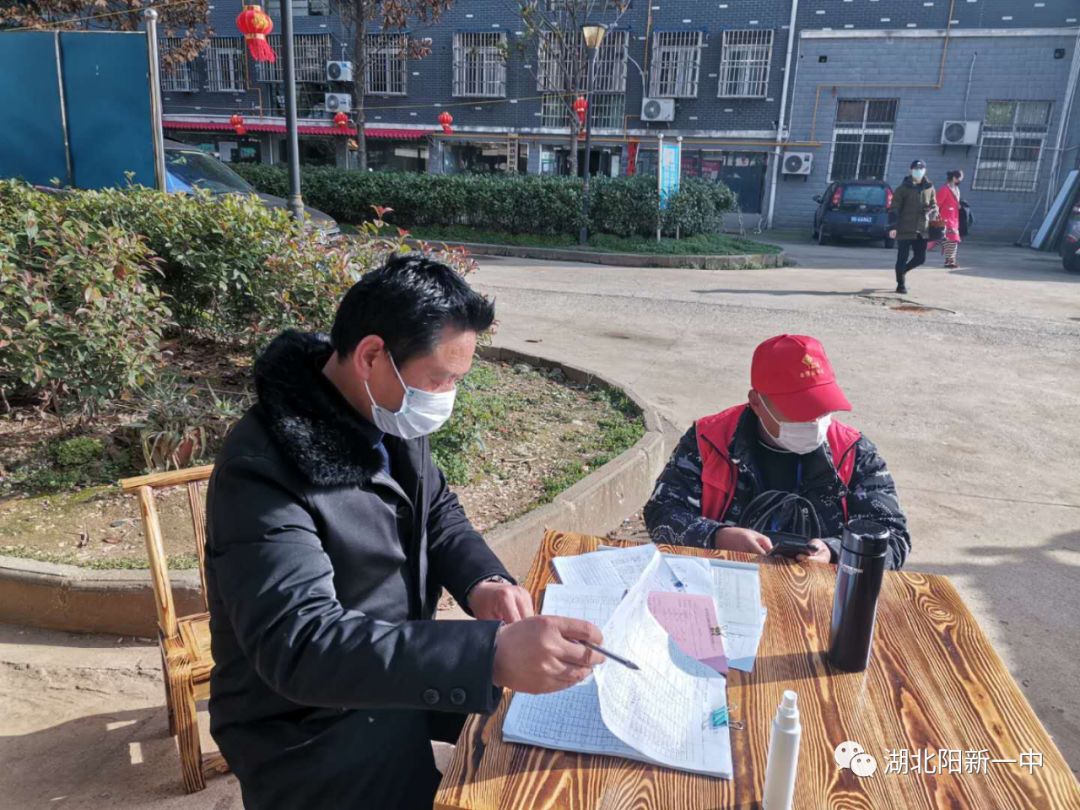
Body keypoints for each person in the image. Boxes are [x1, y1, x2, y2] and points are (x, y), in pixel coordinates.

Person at [204, 254, 605, 810]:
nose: (446, 396)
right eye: (440, 378)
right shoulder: (262, 469)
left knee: (541, 743)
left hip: (394, 669)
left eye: (457, 380)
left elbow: (436, 510)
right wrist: (488, 654)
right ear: (372, 356)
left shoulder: (386, 409)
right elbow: (300, 644)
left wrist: (482, 580)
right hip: (306, 728)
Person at [643, 334, 910, 569]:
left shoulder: (854, 453)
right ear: (756, 402)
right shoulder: (709, 440)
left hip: (821, 593)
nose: (814, 421)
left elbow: (894, 539)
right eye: (799, 410)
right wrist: (717, 537)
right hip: (725, 578)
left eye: (822, 408)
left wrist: (834, 551)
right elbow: (661, 514)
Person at [888, 159, 939, 294]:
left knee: (920, 258)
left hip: (922, 230)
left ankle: (902, 271)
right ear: (910, 171)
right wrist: (893, 226)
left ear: (925, 171)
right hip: (904, 228)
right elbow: (894, 208)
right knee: (902, 257)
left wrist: (932, 210)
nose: (918, 171)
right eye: (916, 169)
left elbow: (934, 205)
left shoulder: (929, 188)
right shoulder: (903, 189)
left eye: (921, 169)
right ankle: (901, 284)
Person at [937, 169, 964, 268]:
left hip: (954, 217)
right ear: (954, 178)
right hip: (945, 218)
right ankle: (950, 260)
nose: (960, 181)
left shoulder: (956, 189)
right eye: (959, 178)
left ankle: (950, 260)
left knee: (952, 239)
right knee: (951, 239)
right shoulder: (945, 189)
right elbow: (937, 203)